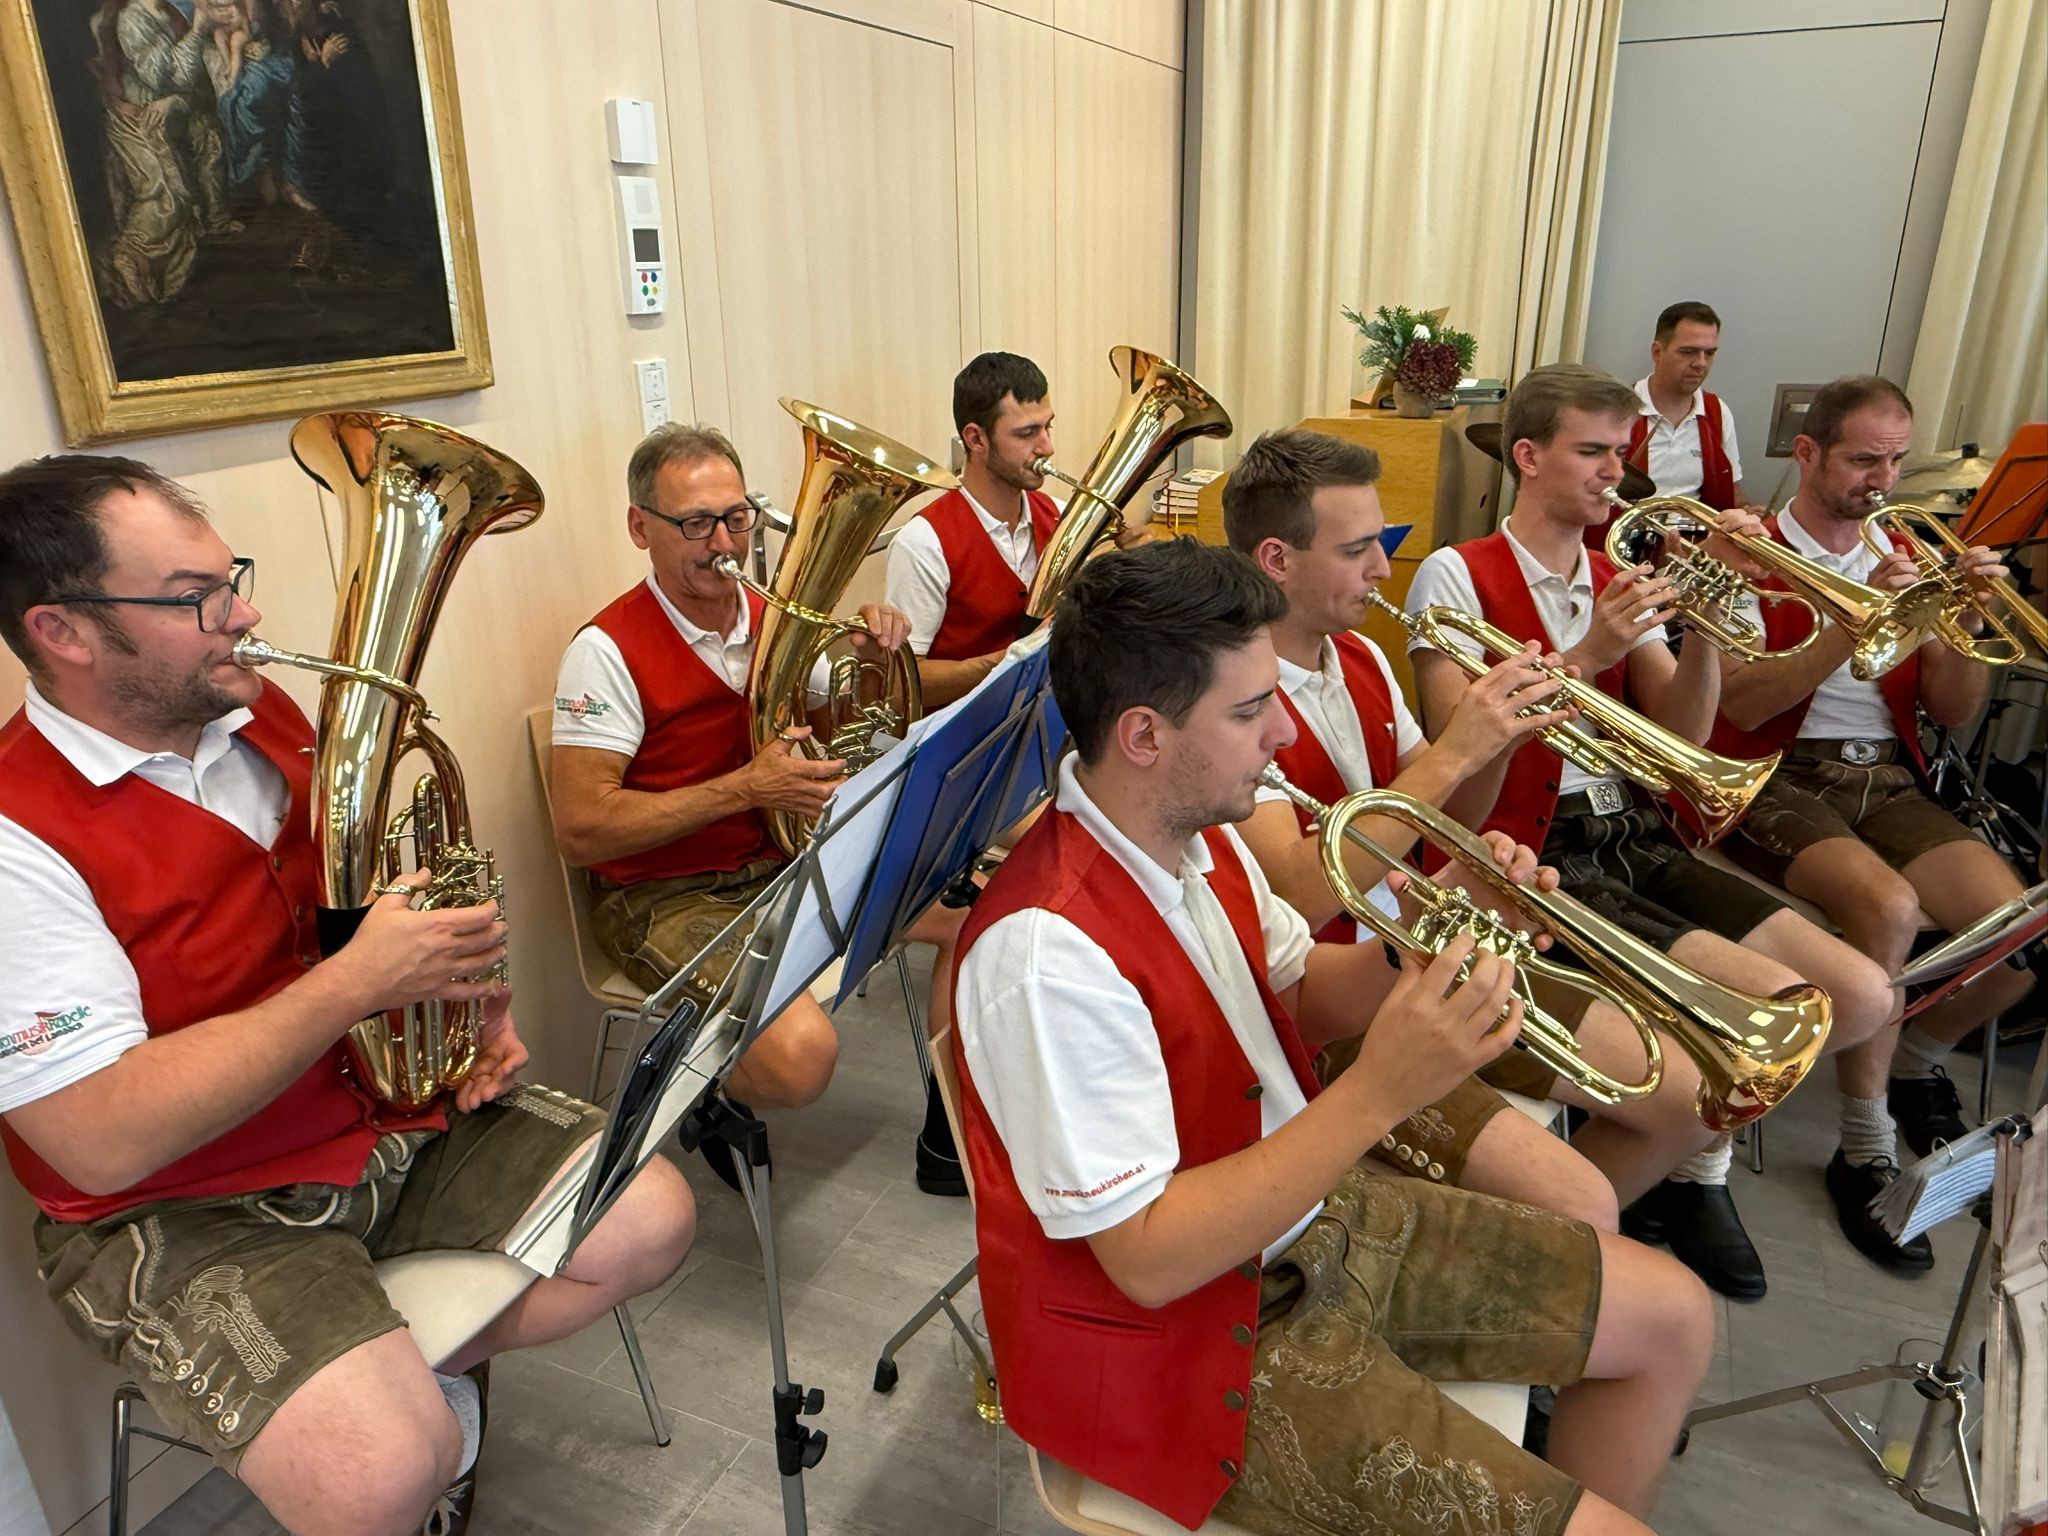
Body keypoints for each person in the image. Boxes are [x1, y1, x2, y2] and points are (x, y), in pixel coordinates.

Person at [952, 538, 1713, 1535]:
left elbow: (1302, 992)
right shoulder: (1045, 952)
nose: (1277, 735)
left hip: (1299, 1224)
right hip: (1187, 1347)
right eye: (1246, 711)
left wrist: (1435, 921)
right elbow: (1145, 1259)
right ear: (1142, 734)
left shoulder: (1195, 830)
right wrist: (1381, 1090)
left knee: (1675, 1317)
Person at [0, 454, 696, 1536]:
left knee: (651, 1219)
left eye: (228, 575)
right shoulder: (15, 840)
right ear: (65, 633)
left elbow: (372, 909)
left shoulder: (265, 715)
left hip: (373, 1115)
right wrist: (356, 983)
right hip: (184, 1209)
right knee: (376, 1474)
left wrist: (467, 994)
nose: (247, 612)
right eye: (196, 598)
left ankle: (403, 1384)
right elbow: (93, 1139)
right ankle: (395, 1409)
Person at [1405, 365, 1900, 1298]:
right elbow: (1459, 758)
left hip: (1636, 827)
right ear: (1528, 456)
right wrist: (1588, 653)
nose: (1613, 473)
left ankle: (1682, 1174)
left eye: (1619, 454)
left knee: (1863, 998)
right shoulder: (1456, 573)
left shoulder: (1612, 572)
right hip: (1536, 847)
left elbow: (1686, 735)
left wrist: (1710, 615)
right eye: (1592, 452)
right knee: (1759, 1030)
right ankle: (1585, 1224)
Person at [1223, 427, 1625, 1230]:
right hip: (1331, 995)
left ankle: (1541, 1268)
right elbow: (1300, 894)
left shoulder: (1362, 659)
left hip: (1419, 947)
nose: (1382, 570)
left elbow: (1449, 824)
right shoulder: (1233, 697)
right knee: (1585, 1206)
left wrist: (1500, 744)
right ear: (1276, 560)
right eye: (1359, 550)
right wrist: (1455, 753)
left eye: (1385, 543)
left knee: (1679, 1094)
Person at [1710, 374, 2037, 1267]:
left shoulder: (1908, 552)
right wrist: (1847, 627)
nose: (1882, 479)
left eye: (1896, 458)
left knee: (2020, 935)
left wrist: (1959, 621)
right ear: (1808, 453)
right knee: (1889, 911)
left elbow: (1956, 712)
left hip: (1886, 777)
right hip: (1774, 772)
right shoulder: (1754, 554)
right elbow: (1738, 708)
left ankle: (1917, 1060)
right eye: (1863, 458)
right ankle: (1865, 1147)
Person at [550, 423, 910, 1187]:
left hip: (777, 863)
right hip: (662, 897)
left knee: (974, 904)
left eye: (737, 518)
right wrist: (746, 789)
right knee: (800, 1062)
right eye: (695, 523)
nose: (723, 542)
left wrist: (874, 663)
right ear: (640, 527)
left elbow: (847, 728)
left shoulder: (772, 616)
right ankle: (702, 1088)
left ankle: (954, 1141)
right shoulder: (605, 651)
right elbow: (580, 829)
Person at [885, 352, 1063, 708]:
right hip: (957, 741)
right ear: (976, 440)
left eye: (1048, 427)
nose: (1047, 448)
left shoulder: (1060, 516)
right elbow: (902, 685)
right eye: (1027, 434)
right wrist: (1007, 662)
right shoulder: (923, 542)